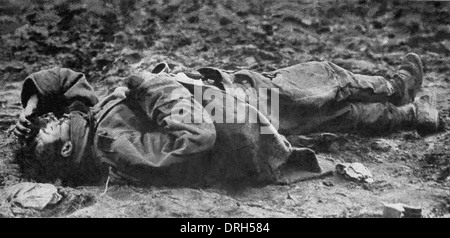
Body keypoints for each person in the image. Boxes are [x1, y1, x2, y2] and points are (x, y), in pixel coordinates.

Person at [13, 53, 443, 186]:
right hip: (237, 114)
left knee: (333, 113)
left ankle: (408, 117)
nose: (48, 119)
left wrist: (31, 105)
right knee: (325, 83)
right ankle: (398, 90)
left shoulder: (87, 125)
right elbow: (194, 137)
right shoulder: (111, 145)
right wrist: (145, 84)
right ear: (64, 147)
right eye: (44, 129)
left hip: (229, 104)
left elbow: (69, 82)